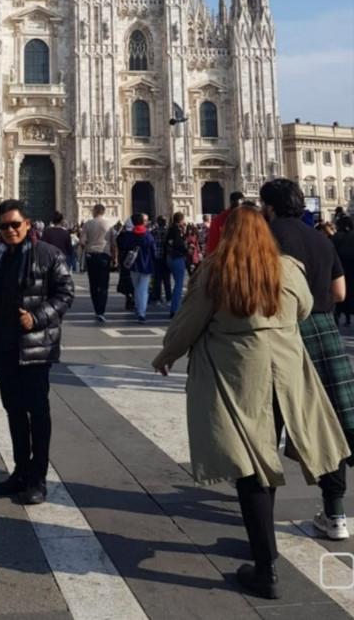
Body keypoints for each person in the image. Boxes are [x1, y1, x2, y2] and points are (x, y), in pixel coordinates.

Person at [152, 205, 349, 600]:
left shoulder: (216, 270)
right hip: (288, 377)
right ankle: (268, 544)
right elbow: (306, 307)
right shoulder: (289, 268)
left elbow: (187, 323)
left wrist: (166, 354)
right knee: (268, 460)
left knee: (252, 467)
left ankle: (265, 568)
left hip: (241, 377)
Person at [261, 178, 354, 540]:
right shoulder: (321, 239)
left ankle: (261, 518)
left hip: (280, 333)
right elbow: (340, 292)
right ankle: (335, 515)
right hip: (323, 333)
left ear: (269, 207)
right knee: (327, 424)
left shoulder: (266, 239)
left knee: (268, 424)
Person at [0, 199, 74, 505]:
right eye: (4, 226)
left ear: (28, 224)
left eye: (15, 224)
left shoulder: (48, 255)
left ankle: (38, 479)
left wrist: (37, 317)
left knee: (38, 412)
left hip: (35, 346)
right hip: (3, 345)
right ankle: (20, 471)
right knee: (14, 411)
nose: (10, 230)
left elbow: (65, 294)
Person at [116, 214, 156, 322]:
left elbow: (124, 250)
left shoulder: (130, 235)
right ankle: (141, 313)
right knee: (143, 289)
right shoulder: (148, 235)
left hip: (133, 265)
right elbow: (153, 252)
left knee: (137, 288)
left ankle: (138, 308)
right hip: (146, 265)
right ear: (143, 222)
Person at [80, 203, 115, 322]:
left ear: (94, 211)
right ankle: (101, 311)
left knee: (93, 284)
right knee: (104, 285)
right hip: (105, 255)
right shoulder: (110, 224)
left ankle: (96, 309)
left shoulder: (88, 224)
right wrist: (115, 257)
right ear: (104, 211)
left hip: (91, 256)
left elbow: (82, 241)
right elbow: (113, 242)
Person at [206, 191, 245, 256]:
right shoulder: (218, 221)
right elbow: (212, 247)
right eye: (235, 207)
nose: (237, 210)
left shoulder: (250, 219)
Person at [165, 212, 187, 316]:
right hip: (177, 258)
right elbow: (178, 245)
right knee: (178, 285)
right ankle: (175, 309)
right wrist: (186, 249)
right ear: (181, 220)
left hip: (169, 258)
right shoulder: (177, 231)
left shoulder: (169, 230)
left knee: (176, 284)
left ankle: (175, 307)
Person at [334, 216, 354, 328]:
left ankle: (339, 316)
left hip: (340, 268)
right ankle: (348, 317)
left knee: (341, 295)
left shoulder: (337, 236)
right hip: (352, 268)